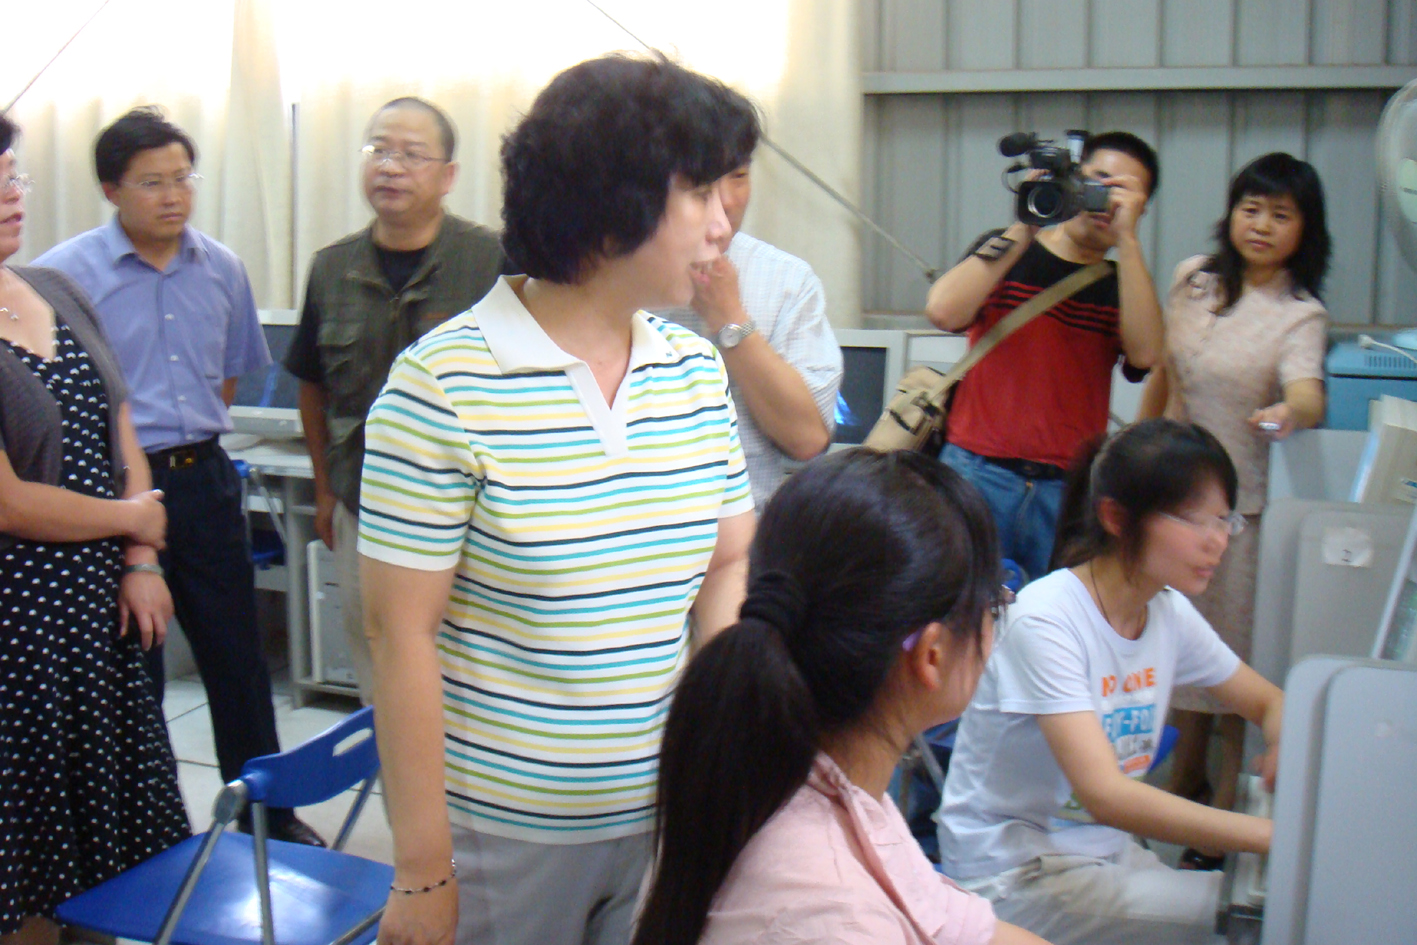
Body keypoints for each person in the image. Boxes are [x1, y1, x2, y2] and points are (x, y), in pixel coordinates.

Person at [358, 55, 756, 945]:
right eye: (698, 192)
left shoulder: (694, 370)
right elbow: (400, 634)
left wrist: (712, 746)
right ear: (612, 205)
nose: (722, 222)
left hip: (660, 809)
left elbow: (728, 560)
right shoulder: (442, 387)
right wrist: (423, 869)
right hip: (505, 830)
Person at [33, 107, 321, 847]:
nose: (173, 196)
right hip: (115, 494)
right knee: (136, 665)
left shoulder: (221, 267)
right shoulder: (64, 277)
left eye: (183, 178)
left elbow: (225, 379)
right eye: (152, 182)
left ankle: (269, 817)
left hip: (204, 479)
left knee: (237, 659)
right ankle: (147, 830)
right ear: (111, 190)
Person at [633, 449, 1047, 945]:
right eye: (993, 601)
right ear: (931, 655)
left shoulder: (800, 779)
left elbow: (965, 928)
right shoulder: (833, 917)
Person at [937, 419, 1285, 945]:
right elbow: (1105, 796)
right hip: (1014, 874)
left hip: (1101, 854)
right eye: (1195, 520)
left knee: (1256, 903)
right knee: (1252, 917)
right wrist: (1274, 836)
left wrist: (1281, 740)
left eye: (1224, 520)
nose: (1217, 541)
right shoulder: (1047, 620)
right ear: (1116, 517)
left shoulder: (1166, 610)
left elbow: (1269, 701)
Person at [0, 115, 189, 945]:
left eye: (14, 176)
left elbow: (122, 426)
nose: (12, 196)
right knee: (35, 852)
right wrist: (130, 519)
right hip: (19, 627)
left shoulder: (55, 286)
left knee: (108, 845)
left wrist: (141, 557)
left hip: (96, 612)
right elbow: (9, 502)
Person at [1137, 153, 1329, 866]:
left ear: (1303, 229)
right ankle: (1181, 780)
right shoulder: (1194, 279)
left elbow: (1308, 391)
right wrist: (1134, 446)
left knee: (1225, 651)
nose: (1261, 225)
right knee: (1168, 637)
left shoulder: (1300, 313)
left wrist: (1289, 410)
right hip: (1166, 490)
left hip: (1235, 507)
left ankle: (1218, 802)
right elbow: (1164, 372)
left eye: (1280, 214)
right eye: (1251, 208)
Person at [284, 96, 506, 703]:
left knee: (474, 674)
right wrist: (325, 491)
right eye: (378, 150)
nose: (390, 166)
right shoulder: (331, 268)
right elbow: (312, 385)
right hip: (365, 507)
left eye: (411, 154)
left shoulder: (493, 262)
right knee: (381, 668)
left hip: (476, 514)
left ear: (448, 175)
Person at [924, 132, 1164, 584]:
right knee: (957, 605)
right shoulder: (1007, 250)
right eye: (1095, 181)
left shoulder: (1123, 284)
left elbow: (1147, 353)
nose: (1102, 200)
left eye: (1121, 191)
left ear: (1141, 207)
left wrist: (1128, 241)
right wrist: (1027, 222)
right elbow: (943, 311)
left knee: (1049, 617)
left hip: (1065, 489)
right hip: (975, 470)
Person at [655, 89, 841, 506]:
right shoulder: (623, 278)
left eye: (738, 176)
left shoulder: (786, 281)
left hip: (749, 521)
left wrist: (730, 319)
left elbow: (807, 440)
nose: (724, 201)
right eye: (701, 184)